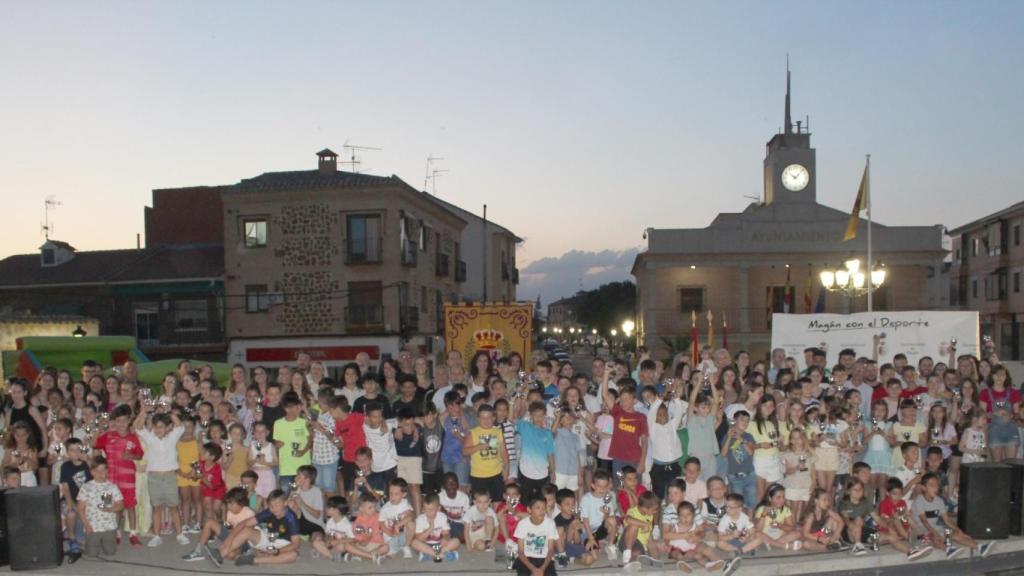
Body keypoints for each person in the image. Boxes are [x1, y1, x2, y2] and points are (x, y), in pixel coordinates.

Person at [134, 407, 188, 546]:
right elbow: (138, 427)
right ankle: (157, 536)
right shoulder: (150, 438)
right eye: (155, 427)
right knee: (157, 508)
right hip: (154, 478)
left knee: (173, 507)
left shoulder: (172, 437)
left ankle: (180, 534)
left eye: (161, 427)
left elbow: (180, 426)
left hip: (169, 478)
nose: (158, 430)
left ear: (168, 427)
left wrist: (169, 412)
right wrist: (144, 411)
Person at [94, 404, 144, 546]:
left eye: (124, 420)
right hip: (109, 480)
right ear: (114, 421)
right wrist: (99, 428)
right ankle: (114, 533)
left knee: (130, 507)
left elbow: (140, 455)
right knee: (111, 507)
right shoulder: (108, 436)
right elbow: (94, 444)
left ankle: (133, 534)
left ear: (129, 420)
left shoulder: (133, 438)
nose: (121, 424)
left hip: (127, 480)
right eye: (118, 421)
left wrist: (131, 456)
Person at [913, 473, 994, 559]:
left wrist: (959, 531)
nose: (935, 488)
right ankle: (948, 550)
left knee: (954, 533)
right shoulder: (919, 500)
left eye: (937, 485)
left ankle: (980, 547)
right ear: (923, 488)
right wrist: (935, 533)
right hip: (919, 532)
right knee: (933, 537)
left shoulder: (939, 501)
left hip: (934, 528)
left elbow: (947, 520)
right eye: (931, 485)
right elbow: (924, 521)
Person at [183, 486, 256, 565]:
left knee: (230, 556)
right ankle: (198, 551)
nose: (229, 507)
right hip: (230, 535)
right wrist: (224, 523)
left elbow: (247, 533)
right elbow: (228, 526)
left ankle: (240, 552)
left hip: (242, 541)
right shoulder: (230, 512)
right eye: (228, 504)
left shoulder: (249, 513)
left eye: (231, 504)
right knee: (209, 522)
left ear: (241, 503)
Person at [230, 489, 302, 566]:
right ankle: (227, 551)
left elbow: (296, 544)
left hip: (282, 544)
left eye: (277, 505)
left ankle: (254, 560)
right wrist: (227, 544)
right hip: (267, 540)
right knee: (246, 531)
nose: (274, 508)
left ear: (285, 503)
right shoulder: (269, 511)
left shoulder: (291, 517)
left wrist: (278, 551)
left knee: (293, 555)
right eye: (271, 506)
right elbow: (246, 523)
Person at [666, 501, 734, 575]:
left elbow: (701, 533)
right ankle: (683, 565)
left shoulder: (695, 525)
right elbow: (669, 536)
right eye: (682, 515)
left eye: (688, 514)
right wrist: (668, 544)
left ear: (693, 515)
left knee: (701, 553)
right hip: (678, 548)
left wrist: (697, 536)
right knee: (676, 554)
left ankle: (715, 563)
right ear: (678, 517)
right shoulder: (676, 526)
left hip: (692, 548)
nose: (685, 517)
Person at [77, 456, 124, 558]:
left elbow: (121, 505)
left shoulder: (111, 486)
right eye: (97, 471)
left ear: (107, 470)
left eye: (104, 470)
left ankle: (104, 542)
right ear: (92, 472)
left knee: (110, 552)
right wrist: (86, 526)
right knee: (92, 554)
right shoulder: (86, 487)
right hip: (93, 527)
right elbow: (80, 509)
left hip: (109, 526)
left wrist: (110, 509)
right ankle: (90, 543)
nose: (101, 473)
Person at [465, 403, 509, 502]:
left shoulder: (497, 431)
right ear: (478, 418)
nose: (486, 421)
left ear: (494, 418)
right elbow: (465, 451)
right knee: (480, 505)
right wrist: (478, 447)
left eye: (489, 417)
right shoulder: (473, 432)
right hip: (478, 475)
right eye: (483, 418)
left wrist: (506, 468)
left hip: (496, 474)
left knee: (497, 502)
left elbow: (503, 452)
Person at [58, 438, 91, 562]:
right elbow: (65, 486)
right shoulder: (66, 466)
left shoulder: (87, 464)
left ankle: (81, 536)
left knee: (83, 510)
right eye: (72, 450)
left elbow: (96, 478)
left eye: (78, 450)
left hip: (86, 500)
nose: (76, 453)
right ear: (67, 453)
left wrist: (87, 461)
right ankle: (72, 538)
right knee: (71, 512)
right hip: (70, 498)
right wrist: (70, 502)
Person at [579, 469, 620, 562]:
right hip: (590, 531)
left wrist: (606, 514)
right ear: (593, 485)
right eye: (599, 486)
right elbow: (585, 521)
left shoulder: (607, 497)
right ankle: (594, 543)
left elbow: (608, 520)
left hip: (601, 529)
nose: (602, 489)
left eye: (605, 487)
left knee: (612, 520)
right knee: (595, 557)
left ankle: (610, 546)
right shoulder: (586, 499)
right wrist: (590, 538)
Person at [272, 393, 312, 489]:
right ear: (286, 408)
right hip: (286, 468)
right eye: (292, 407)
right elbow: (275, 442)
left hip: (303, 468)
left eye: (297, 406)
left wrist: (303, 451)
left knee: (304, 494)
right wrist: (277, 444)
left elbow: (310, 440)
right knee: (286, 496)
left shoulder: (304, 422)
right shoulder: (278, 423)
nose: (296, 409)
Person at [514, 495, 560, 576]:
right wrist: (533, 569)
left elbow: (550, 550)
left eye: (544, 508)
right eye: (538, 508)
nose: (542, 511)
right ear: (529, 509)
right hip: (527, 558)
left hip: (544, 558)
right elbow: (521, 552)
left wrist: (542, 568)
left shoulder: (550, 524)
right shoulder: (522, 524)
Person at [411, 492, 461, 562]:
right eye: (425, 509)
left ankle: (430, 555)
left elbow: (446, 534)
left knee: (456, 541)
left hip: (440, 545)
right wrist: (430, 528)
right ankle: (442, 555)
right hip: (426, 545)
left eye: (431, 509)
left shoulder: (442, 517)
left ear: (438, 508)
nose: (428, 512)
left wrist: (445, 538)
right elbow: (419, 538)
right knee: (414, 543)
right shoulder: (420, 519)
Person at [552, 488, 595, 567]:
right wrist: (572, 526)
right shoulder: (556, 521)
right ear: (559, 506)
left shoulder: (575, 518)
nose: (571, 507)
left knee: (590, 559)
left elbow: (577, 542)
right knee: (564, 528)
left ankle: (572, 560)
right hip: (562, 548)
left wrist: (576, 530)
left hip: (573, 547)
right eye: (567, 504)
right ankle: (563, 557)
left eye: (573, 504)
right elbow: (564, 541)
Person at [619, 490, 658, 569]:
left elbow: (649, 536)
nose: (655, 512)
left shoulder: (649, 516)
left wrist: (655, 556)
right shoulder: (632, 511)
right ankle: (628, 551)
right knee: (634, 526)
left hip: (638, 544)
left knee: (638, 553)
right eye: (653, 509)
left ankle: (631, 563)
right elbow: (628, 519)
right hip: (626, 541)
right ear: (645, 508)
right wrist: (644, 524)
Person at [379, 477, 415, 559]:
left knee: (411, 523)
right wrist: (390, 533)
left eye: (396, 494)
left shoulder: (405, 504)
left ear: (404, 494)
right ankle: (393, 549)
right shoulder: (385, 508)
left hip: (403, 535)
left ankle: (406, 546)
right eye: (391, 493)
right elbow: (381, 524)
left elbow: (411, 515)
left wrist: (398, 525)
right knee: (389, 552)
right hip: (391, 536)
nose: (392, 497)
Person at [464, 488, 498, 552]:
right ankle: (479, 546)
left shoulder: (490, 511)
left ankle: (488, 542)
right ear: (474, 502)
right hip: (474, 536)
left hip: (486, 534)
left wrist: (493, 543)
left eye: (486, 502)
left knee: (489, 518)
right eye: (480, 502)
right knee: (481, 547)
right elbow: (466, 530)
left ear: (489, 501)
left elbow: (497, 528)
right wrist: (468, 545)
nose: (483, 505)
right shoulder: (470, 511)